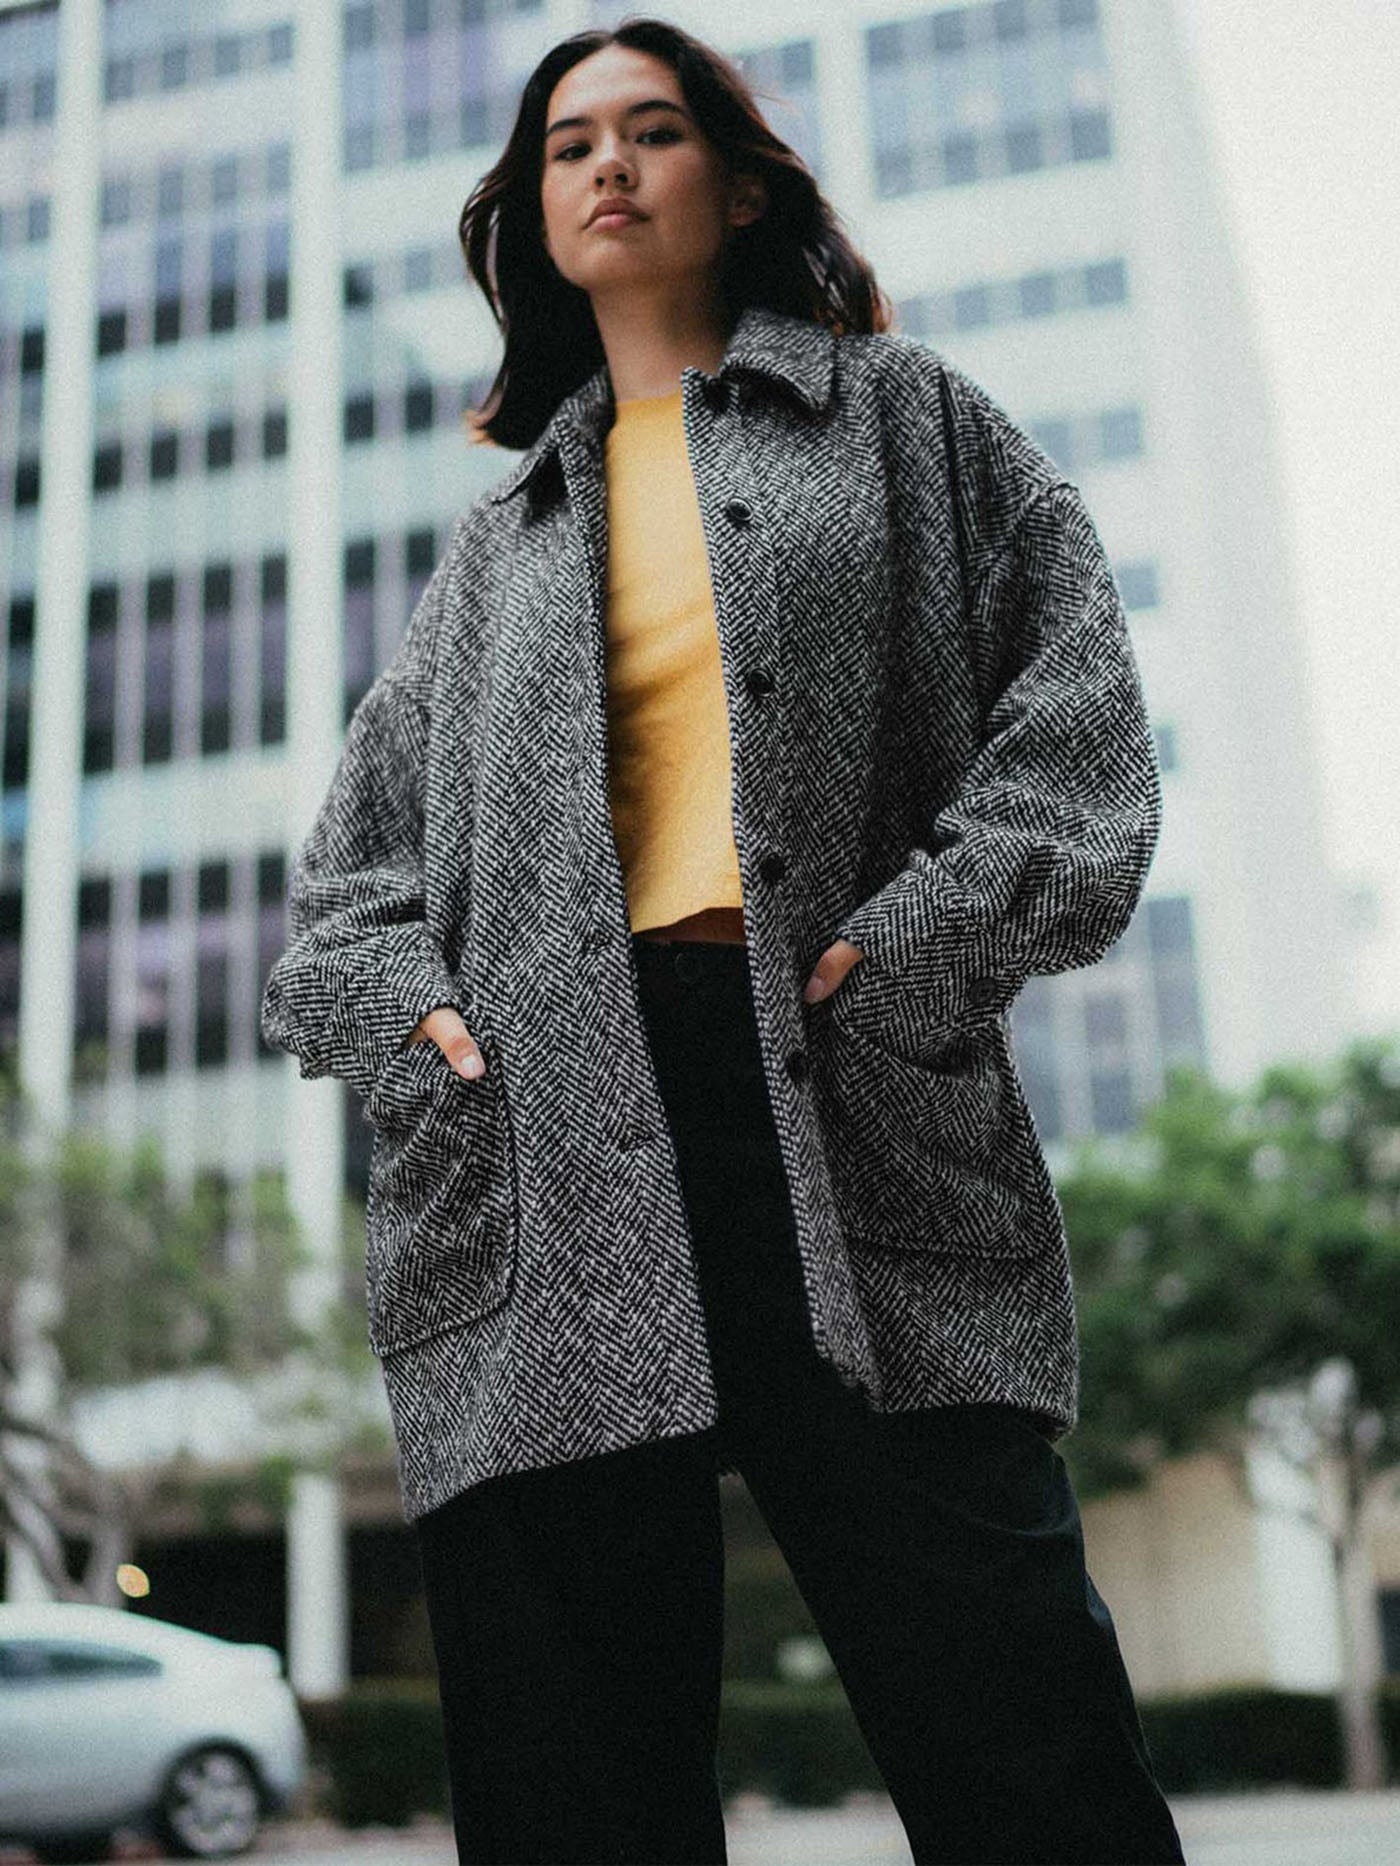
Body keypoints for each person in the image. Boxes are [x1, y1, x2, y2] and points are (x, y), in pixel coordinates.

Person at [261, 15, 1188, 1865]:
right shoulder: (502, 544)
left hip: (842, 1086)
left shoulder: (907, 424)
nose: (608, 164)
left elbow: (1078, 728)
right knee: (573, 1773)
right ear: (535, 210)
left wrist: (917, 949)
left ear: (741, 184)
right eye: (568, 144)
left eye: (654, 129)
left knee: (1019, 1720)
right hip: (544, 1145)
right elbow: (347, 884)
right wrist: (429, 1036)